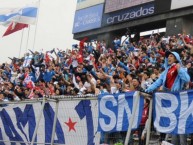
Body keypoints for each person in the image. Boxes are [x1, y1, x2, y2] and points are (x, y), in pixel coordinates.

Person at [146, 51, 190, 145]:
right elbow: (157, 82)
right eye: (168, 56)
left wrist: (179, 70)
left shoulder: (181, 68)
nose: (168, 57)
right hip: (170, 101)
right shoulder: (166, 71)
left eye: (171, 56)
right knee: (174, 126)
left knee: (181, 127)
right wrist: (147, 90)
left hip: (179, 99)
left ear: (176, 58)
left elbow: (187, 79)